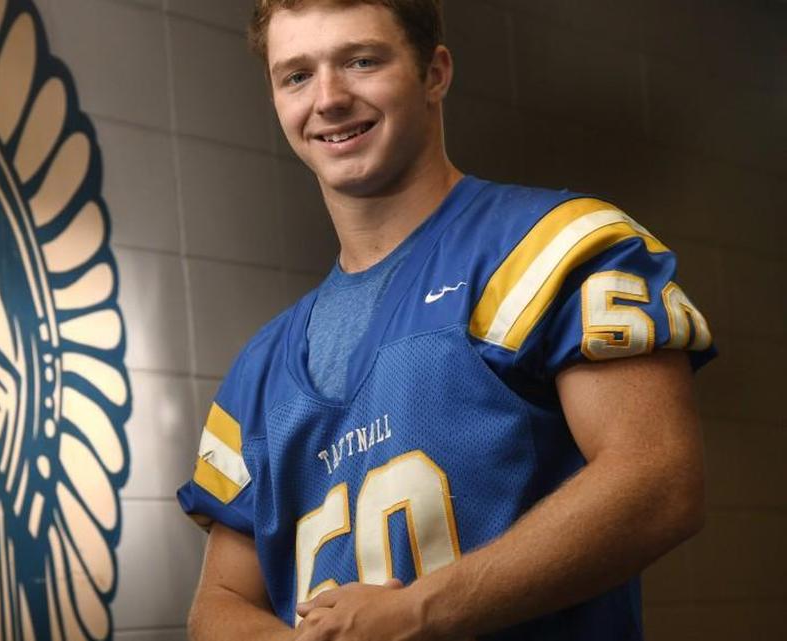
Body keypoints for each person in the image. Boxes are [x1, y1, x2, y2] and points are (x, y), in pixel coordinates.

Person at [175, 1, 716, 639]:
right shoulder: (258, 372)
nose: (328, 98)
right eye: (296, 75)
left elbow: (658, 480)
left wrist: (417, 611)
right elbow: (218, 602)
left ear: (434, 73)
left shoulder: (549, 246)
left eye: (361, 61)